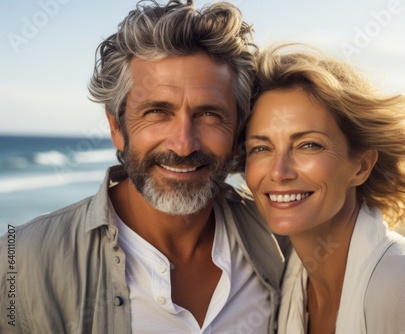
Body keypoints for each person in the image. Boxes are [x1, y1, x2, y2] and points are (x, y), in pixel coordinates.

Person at [0, 1, 288, 333]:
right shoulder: (18, 262)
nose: (183, 144)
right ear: (116, 128)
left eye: (209, 114)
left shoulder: (282, 238)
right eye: (156, 112)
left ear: (238, 131)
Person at [242, 44, 405, 334]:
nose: (279, 171)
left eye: (308, 145)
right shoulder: (290, 278)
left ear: (361, 166)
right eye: (260, 148)